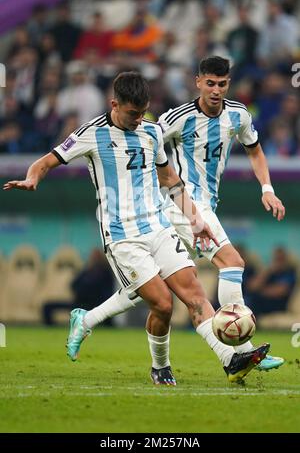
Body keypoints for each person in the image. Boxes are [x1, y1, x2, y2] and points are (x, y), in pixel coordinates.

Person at [3, 71, 269, 385]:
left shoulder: (152, 132)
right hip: (121, 234)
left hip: (157, 226)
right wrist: (33, 177)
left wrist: (196, 222)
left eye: (143, 112)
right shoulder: (91, 133)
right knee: (162, 303)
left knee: (195, 293)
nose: (138, 119)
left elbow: (170, 180)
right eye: (132, 113)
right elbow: (47, 161)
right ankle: (160, 366)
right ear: (114, 103)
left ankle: (231, 359)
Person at [67, 59, 285, 372]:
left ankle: (86, 318)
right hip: (181, 204)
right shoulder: (178, 118)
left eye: (222, 84)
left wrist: (267, 188)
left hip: (201, 204)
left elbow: (254, 149)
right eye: (210, 83)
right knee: (232, 263)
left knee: (157, 290)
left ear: (229, 83)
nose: (216, 90)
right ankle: (245, 348)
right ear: (198, 82)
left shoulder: (238, 115)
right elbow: (146, 138)